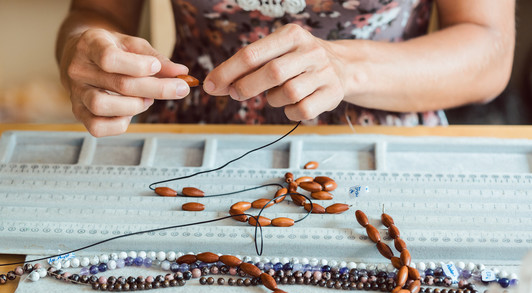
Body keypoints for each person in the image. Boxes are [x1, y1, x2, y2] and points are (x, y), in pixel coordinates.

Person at [56, 0, 515, 137]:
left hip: (384, 144)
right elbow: (98, 15)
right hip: (190, 140)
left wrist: (348, 67)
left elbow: (489, 45)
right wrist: (87, 50)